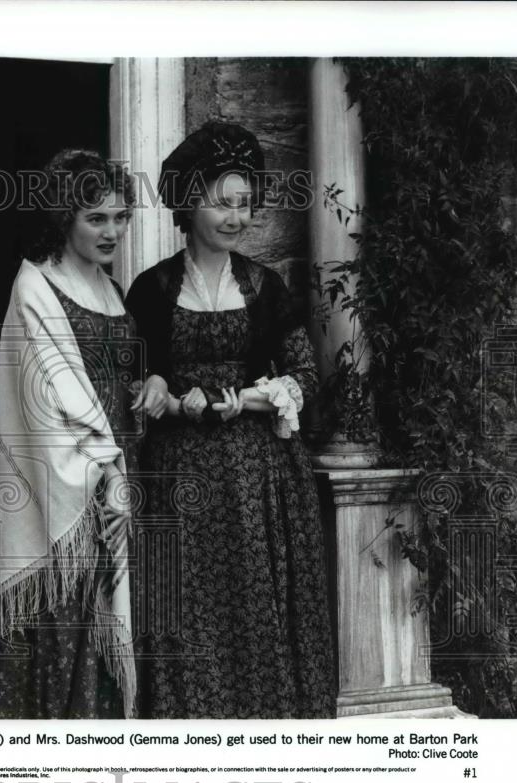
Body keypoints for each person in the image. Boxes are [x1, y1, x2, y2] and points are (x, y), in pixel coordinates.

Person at [125, 120, 335, 718]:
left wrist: (246, 398)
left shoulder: (264, 286)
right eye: (223, 202)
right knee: (188, 604)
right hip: (177, 476)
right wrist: (162, 389)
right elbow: (134, 375)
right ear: (189, 203)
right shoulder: (151, 289)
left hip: (255, 478)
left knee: (250, 599)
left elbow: (304, 375)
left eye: (245, 204)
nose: (236, 217)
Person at [0, 149, 141, 718]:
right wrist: (106, 481)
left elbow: (120, 382)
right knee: (62, 621)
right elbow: (49, 403)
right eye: (97, 219)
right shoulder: (36, 288)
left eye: (120, 217)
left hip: (119, 474)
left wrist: (150, 390)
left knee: (111, 623)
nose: (112, 230)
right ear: (64, 217)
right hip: (67, 489)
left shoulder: (115, 291)